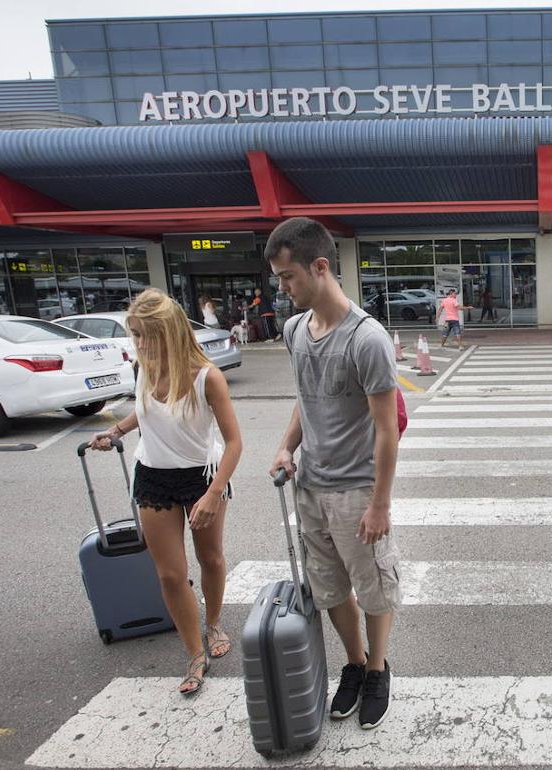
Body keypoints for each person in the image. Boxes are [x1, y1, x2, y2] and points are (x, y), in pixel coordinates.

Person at [266, 216, 401, 731]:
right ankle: (353, 661)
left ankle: (378, 668)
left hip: (357, 491)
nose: (282, 289)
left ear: (320, 268)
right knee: (330, 588)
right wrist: (285, 447)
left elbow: (386, 431)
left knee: (373, 585)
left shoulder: (367, 340)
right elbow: (306, 400)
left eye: (288, 277)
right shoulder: (295, 330)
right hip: (311, 487)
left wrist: (380, 504)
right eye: (279, 278)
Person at [88, 288, 242, 696]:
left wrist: (213, 492)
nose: (139, 343)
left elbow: (234, 443)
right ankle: (195, 653)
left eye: (146, 335)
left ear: (170, 332)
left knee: (209, 557)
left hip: (203, 477)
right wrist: (115, 430)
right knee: (171, 574)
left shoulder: (207, 376)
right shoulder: (144, 367)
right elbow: (145, 408)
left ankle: (213, 623)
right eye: (134, 335)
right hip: (153, 476)